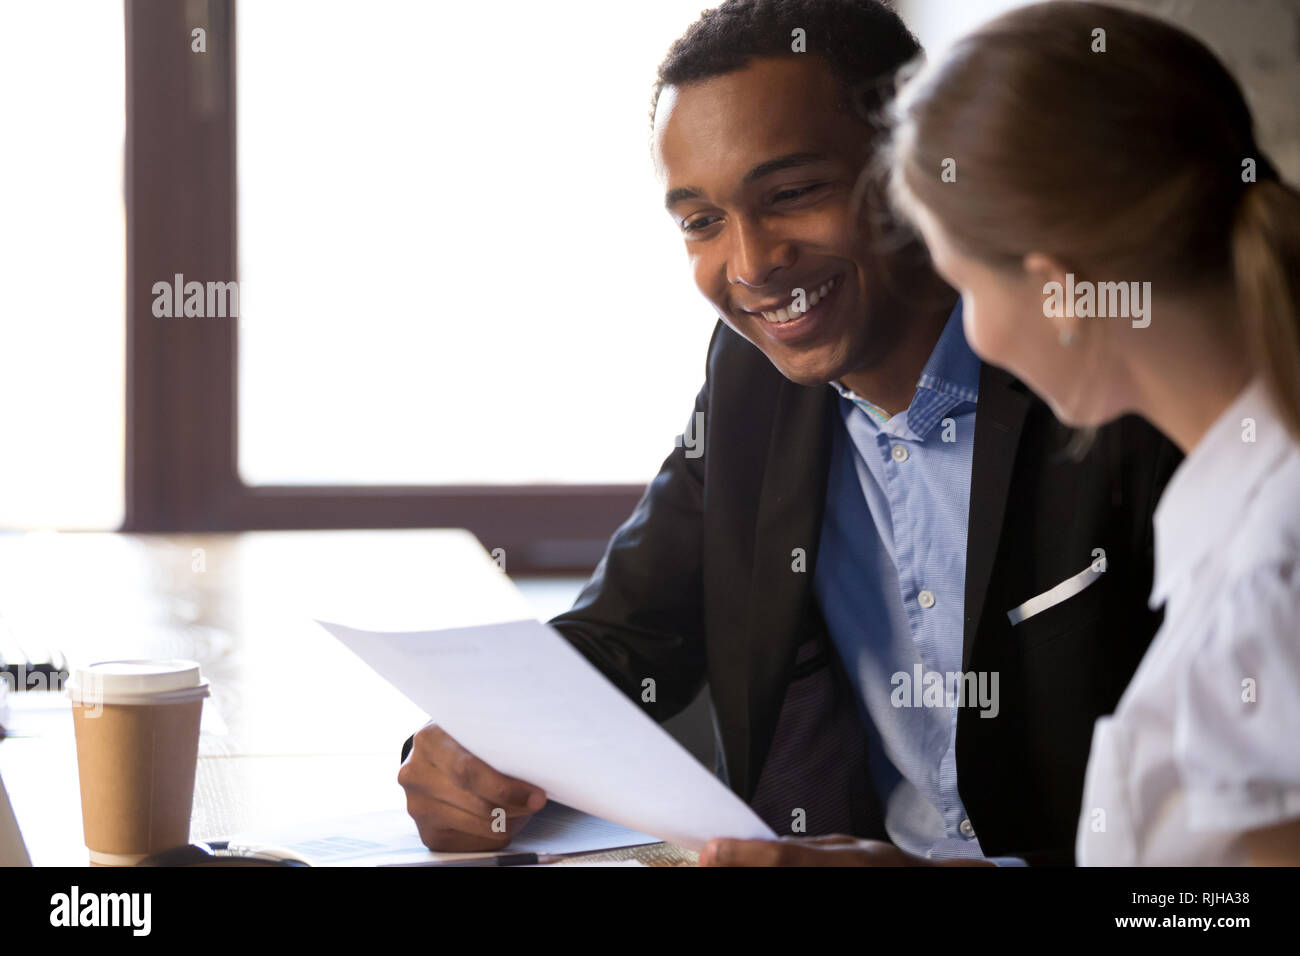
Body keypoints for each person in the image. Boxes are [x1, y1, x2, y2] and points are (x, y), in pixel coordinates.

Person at [398, 0, 1180, 866]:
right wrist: (469, 748)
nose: (750, 265)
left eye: (793, 193)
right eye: (700, 220)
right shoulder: (753, 385)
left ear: (916, 170)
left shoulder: (1109, 390)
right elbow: (624, 634)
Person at [886, 1, 1300, 865]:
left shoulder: (1265, 582)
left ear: (1063, 291)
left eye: (965, 287)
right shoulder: (1247, 509)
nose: (970, 333)